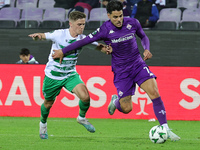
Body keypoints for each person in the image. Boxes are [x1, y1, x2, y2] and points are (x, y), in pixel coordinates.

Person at [52, 0, 181, 142]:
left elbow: (143, 36)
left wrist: (146, 48)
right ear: (108, 15)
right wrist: (63, 51)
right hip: (121, 71)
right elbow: (84, 41)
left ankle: (166, 128)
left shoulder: (132, 22)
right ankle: (116, 101)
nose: (119, 20)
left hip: (137, 64)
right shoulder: (104, 29)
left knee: (154, 93)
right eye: (115, 17)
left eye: (120, 16)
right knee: (126, 108)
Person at [28, 11, 112, 139]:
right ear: (70, 24)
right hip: (53, 76)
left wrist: (107, 49)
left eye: (83, 24)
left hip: (70, 75)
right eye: (79, 24)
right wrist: (37, 36)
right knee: (48, 103)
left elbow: (98, 47)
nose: (82, 27)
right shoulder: (59, 34)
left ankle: (81, 118)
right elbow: (44, 35)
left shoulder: (83, 39)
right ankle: (43, 124)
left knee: (85, 97)